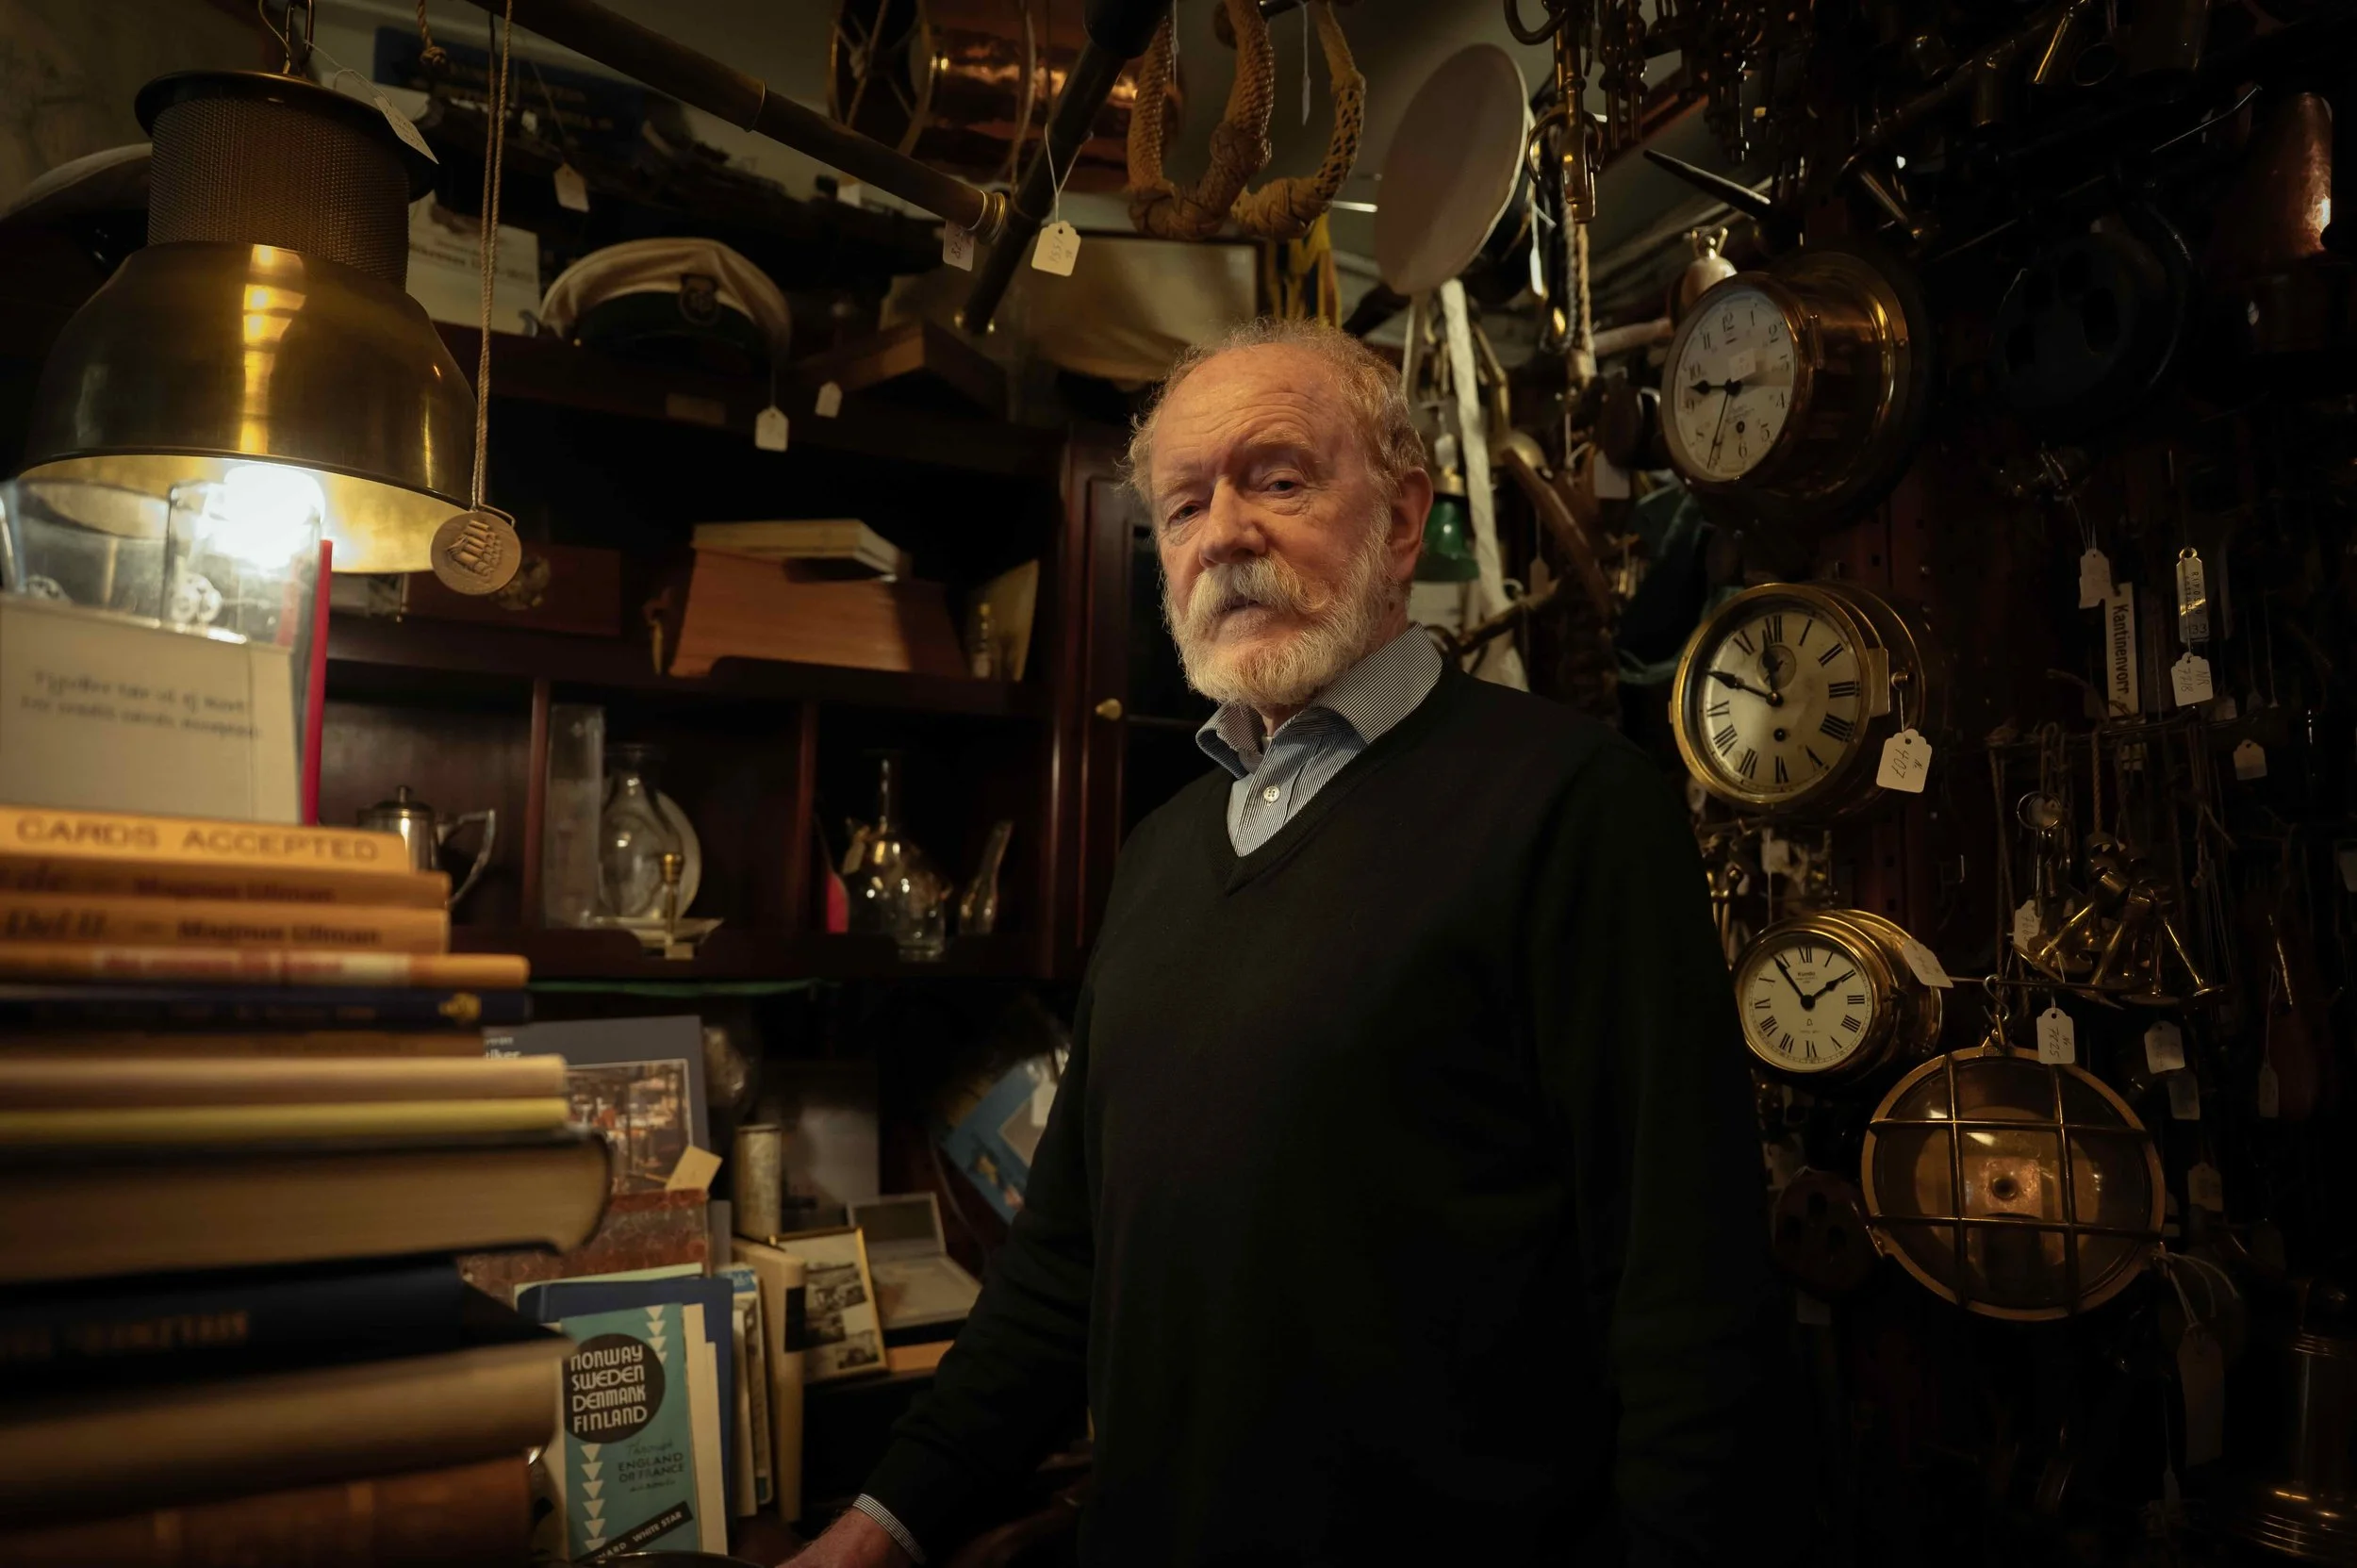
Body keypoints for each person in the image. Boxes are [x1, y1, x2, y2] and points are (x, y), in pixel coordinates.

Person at [794, 319, 1768, 1567]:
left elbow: (1689, 1301)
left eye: (1279, 479)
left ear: (1403, 518)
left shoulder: (1573, 808)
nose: (1227, 535)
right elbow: (1064, 1268)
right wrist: (883, 1525)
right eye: (1186, 505)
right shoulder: (1158, 854)